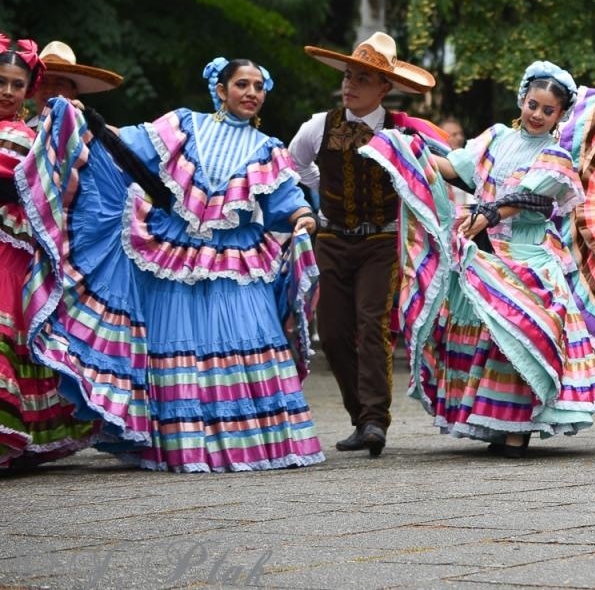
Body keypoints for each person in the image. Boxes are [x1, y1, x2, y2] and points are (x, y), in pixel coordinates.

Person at [22, 57, 323, 471]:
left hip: (234, 257)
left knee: (245, 336)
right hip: (175, 251)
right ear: (220, 89)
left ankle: (247, 445)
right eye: (242, 84)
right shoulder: (183, 126)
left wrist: (302, 217)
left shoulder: (269, 149)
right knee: (175, 344)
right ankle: (182, 445)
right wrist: (82, 119)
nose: (251, 93)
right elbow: (125, 146)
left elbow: (285, 201)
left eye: (258, 86)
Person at [361, 60, 595, 453]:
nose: (538, 115)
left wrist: (490, 212)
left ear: (560, 116)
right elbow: (454, 168)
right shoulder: (495, 139)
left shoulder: (557, 156)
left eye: (549, 110)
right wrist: (410, 151)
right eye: (533, 105)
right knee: (487, 338)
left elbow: (529, 197)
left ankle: (519, 428)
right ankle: (493, 421)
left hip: (528, 258)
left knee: (519, 335)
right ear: (522, 99)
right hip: (482, 254)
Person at [288, 32, 437, 457]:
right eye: (348, 76)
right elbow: (292, 166)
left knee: (372, 325)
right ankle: (360, 417)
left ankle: (375, 420)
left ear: (384, 88)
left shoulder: (402, 134)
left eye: (363, 80)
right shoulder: (318, 126)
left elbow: (420, 185)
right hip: (332, 237)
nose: (350, 85)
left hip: (382, 242)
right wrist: (319, 196)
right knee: (333, 333)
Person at [0, 36, 95, 469]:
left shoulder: (31, 139)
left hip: (11, 253)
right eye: (1, 82)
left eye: (16, 85)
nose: (7, 91)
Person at [32, 41, 123, 112]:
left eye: (59, 84)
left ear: (73, 92)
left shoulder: (86, 131)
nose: (49, 90)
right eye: (43, 83)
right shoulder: (20, 132)